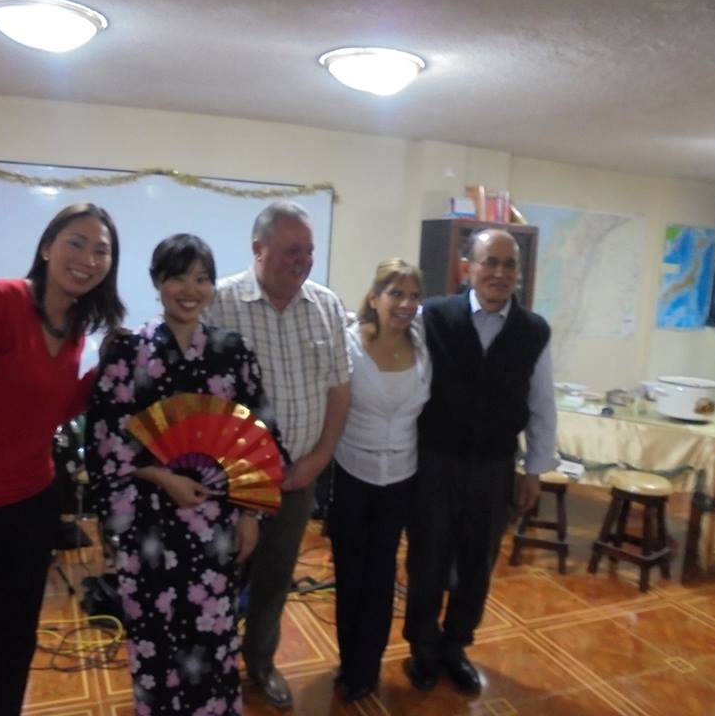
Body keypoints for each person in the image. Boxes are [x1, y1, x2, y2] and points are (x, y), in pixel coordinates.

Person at [0, 203, 124, 716]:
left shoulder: (75, 323)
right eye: (76, 242)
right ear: (47, 247)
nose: (88, 258)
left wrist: (105, 370)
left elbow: (52, 409)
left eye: (101, 250)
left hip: (33, 503)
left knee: (18, 638)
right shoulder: (2, 299)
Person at [85, 233, 285, 716]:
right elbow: (106, 437)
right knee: (152, 633)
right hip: (147, 521)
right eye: (177, 277)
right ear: (157, 281)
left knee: (213, 632)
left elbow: (257, 439)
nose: (190, 290)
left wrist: (250, 514)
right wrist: (161, 476)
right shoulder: (127, 350)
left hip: (215, 523)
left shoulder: (232, 352)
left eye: (201, 279)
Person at [208, 201, 351, 709]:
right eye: (292, 250)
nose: (303, 260)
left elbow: (340, 390)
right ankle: (211, 671)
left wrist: (318, 459)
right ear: (258, 249)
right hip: (228, 483)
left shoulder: (326, 305)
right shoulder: (218, 302)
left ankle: (261, 663)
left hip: (298, 478)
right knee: (216, 579)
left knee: (274, 579)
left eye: (308, 250)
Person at [402, 228, 558, 694]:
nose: (499, 273)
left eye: (509, 264)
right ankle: (422, 649)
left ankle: (455, 646)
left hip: (494, 467)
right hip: (435, 462)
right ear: (467, 267)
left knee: (477, 563)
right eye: (490, 262)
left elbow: (542, 404)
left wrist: (534, 470)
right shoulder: (433, 316)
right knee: (427, 559)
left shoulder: (534, 331)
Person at [330, 259, 430, 701]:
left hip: (402, 477)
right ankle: (349, 662)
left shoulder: (422, 346)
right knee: (351, 573)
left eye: (413, 296)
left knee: (382, 574)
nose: (406, 303)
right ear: (374, 297)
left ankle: (367, 667)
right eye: (396, 293)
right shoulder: (349, 345)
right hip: (353, 473)